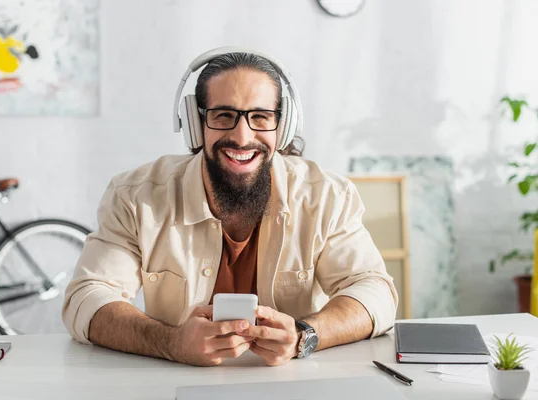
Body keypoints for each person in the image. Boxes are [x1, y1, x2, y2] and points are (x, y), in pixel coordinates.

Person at [62, 47, 398, 367]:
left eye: (260, 116)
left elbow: (375, 292)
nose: (241, 136)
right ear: (196, 124)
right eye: (224, 115)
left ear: (282, 126)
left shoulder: (326, 197)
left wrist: (304, 335)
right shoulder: (136, 197)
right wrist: (171, 343)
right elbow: (86, 298)